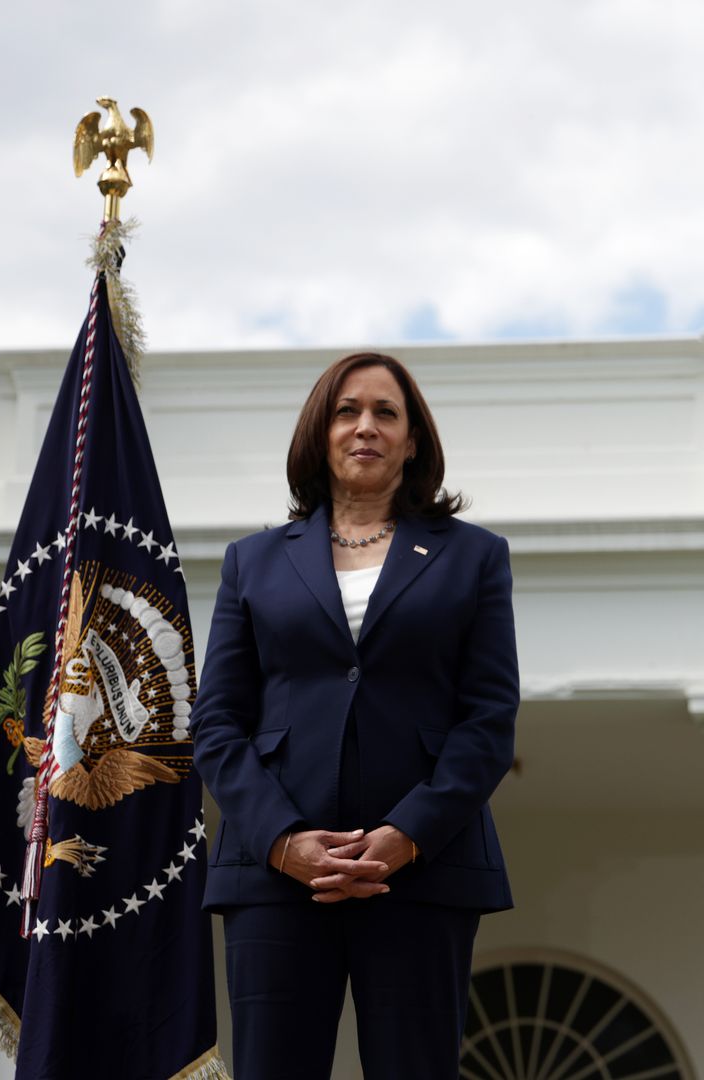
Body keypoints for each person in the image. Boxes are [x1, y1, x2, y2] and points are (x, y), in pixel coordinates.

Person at [192, 351, 518, 1078]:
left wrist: (407, 836)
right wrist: (282, 841)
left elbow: (488, 720)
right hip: (276, 879)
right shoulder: (253, 562)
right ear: (321, 432)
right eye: (347, 411)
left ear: (412, 441)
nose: (365, 426)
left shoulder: (476, 558)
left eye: (385, 413)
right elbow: (216, 723)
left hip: (422, 874)